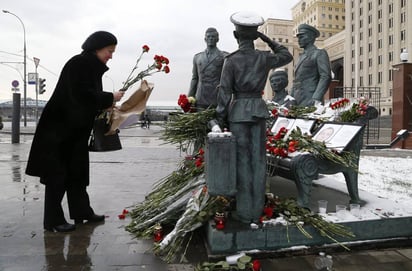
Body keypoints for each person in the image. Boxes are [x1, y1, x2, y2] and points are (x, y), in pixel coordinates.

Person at [25, 31, 125, 232]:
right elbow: (80, 95)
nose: (111, 56)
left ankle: (82, 212)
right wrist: (109, 97)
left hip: (73, 132)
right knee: (57, 176)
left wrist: (104, 106)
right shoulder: (79, 63)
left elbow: (84, 101)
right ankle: (52, 221)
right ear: (97, 47)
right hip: (59, 131)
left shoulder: (90, 66)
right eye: (109, 51)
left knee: (77, 173)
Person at [216, 11, 293, 224]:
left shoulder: (230, 61)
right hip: (258, 111)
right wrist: (267, 39)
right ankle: (256, 209)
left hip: (239, 112)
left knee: (242, 162)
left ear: (235, 35)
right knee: (258, 161)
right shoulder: (264, 57)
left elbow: (224, 92)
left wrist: (219, 119)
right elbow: (286, 55)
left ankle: (244, 211)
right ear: (256, 35)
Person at [291, 24, 332, 107]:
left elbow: (325, 76)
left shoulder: (319, 53)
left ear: (310, 37)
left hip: (310, 99)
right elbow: (297, 81)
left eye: (301, 37)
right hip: (297, 99)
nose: (299, 39)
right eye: (298, 37)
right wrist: (291, 98)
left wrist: (316, 98)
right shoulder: (301, 57)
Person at [188, 27, 228, 109]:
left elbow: (228, 79)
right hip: (200, 97)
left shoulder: (224, 56)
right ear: (205, 39)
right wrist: (190, 97)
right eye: (209, 37)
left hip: (216, 97)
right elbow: (195, 78)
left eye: (213, 37)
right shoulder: (197, 57)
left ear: (217, 39)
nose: (211, 39)